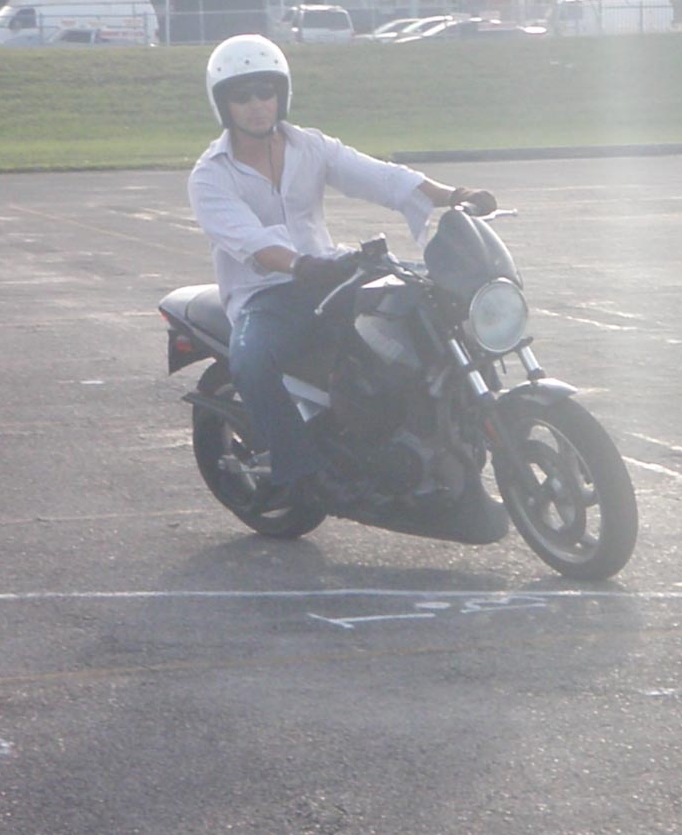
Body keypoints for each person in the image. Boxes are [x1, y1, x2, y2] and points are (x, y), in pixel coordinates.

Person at [188, 33, 495, 512]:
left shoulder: (310, 146)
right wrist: (298, 264)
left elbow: (381, 176)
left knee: (432, 308)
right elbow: (249, 240)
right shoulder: (211, 175)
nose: (256, 105)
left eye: (265, 91)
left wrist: (454, 195)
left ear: (281, 94)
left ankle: (436, 432)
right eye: (242, 96)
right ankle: (301, 473)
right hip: (267, 294)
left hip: (332, 274)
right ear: (223, 104)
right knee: (251, 363)